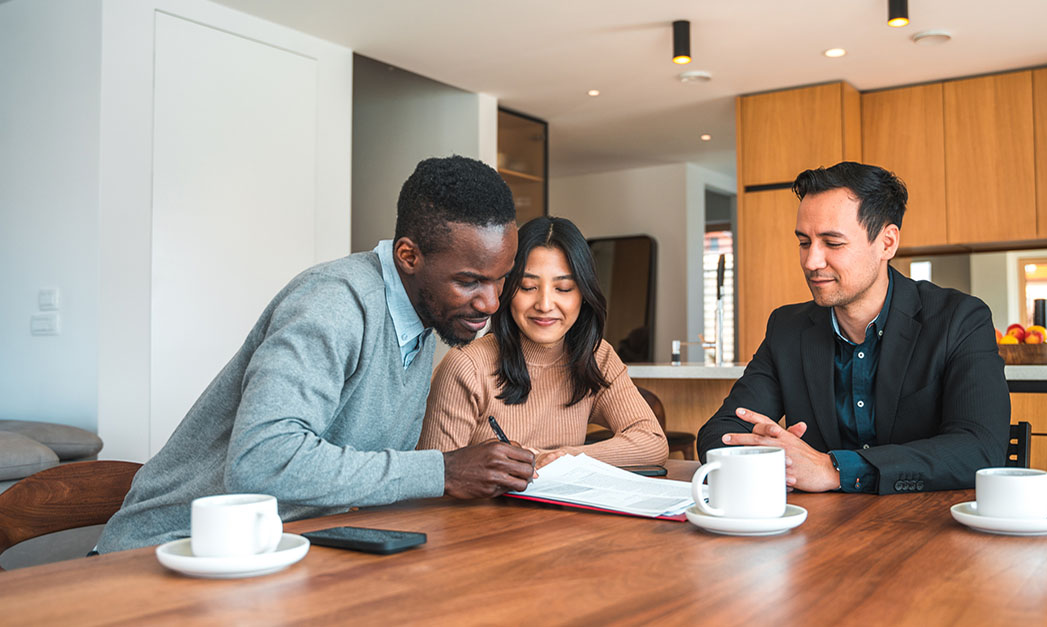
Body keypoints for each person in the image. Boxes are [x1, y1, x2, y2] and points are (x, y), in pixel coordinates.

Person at [97, 156, 537, 553]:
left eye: (501, 279)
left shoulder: (424, 316)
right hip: (170, 552)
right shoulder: (335, 304)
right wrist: (442, 471)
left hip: (283, 549)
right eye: (469, 281)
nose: (492, 303)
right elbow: (261, 462)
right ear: (408, 256)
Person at [697, 162, 1009, 494]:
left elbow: (979, 449)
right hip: (818, 533)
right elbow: (722, 432)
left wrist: (834, 470)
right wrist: (780, 462)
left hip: (927, 529)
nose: (811, 262)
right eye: (805, 242)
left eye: (832, 243)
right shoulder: (786, 328)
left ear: (887, 243)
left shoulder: (960, 319)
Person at [418, 216, 668, 468]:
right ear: (507, 290)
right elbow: (432, 478)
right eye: (527, 287)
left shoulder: (595, 356)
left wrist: (564, 457)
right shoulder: (467, 367)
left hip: (562, 507)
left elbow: (652, 442)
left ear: (584, 294)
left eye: (564, 288)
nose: (545, 305)